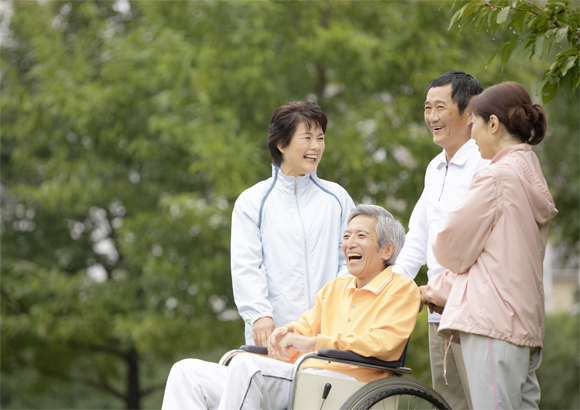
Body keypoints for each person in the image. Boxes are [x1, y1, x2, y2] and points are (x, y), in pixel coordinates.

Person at [161, 205, 420, 410]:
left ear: (387, 249)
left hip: (352, 383)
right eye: (346, 236)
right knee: (187, 371)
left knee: (247, 368)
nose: (349, 243)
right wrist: (284, 334)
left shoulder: (401, 288)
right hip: (308, 376)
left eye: (361, 236)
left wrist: (313, 343)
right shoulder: (336, 287)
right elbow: (304, 327)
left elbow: (383, 343)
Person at [422, 81, 558, 410]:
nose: (473, 133)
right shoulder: (530, 171)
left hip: (492, 323)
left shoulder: (496, 175)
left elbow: (450, 248)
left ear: (493, 124)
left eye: (475, 125)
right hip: (524, 322)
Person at [391, 70, 489, 409]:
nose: (431, 117)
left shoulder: (486, 165)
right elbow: (416, 240)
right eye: (427, 108)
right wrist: (388, 288)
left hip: (476, 314)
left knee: (487, 402)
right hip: (438, 316)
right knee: (450, 404)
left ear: (469, 109)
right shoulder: (434, 167)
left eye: (439, 107)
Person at [231, 100, 354, 346]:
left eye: (320, 138)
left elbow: (350, 260)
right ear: (281, 144)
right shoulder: (253, 202)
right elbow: (246, 266)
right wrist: (259, 315)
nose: (316, 146)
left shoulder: (337, 198)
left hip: (327, 334)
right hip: (273, 333)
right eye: (306, 138)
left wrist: (334, 309)